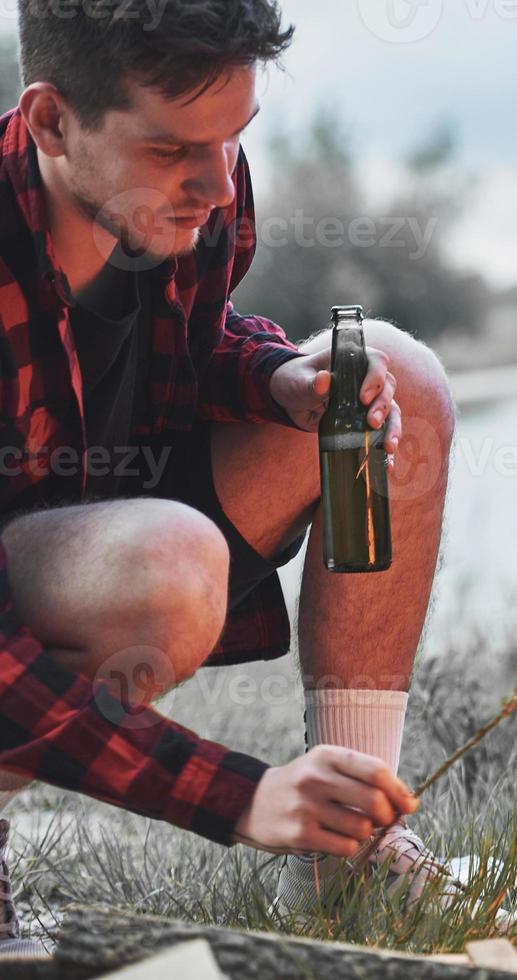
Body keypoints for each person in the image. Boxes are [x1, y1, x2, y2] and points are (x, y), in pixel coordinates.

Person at [0, 1, 459, 956]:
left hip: (89, 519)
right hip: (45, 586)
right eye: (175, 151)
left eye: (235, 139)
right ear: (50, 121)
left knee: (390, 381)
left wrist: (277, 377)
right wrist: (242, 795)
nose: (217, 184)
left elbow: (192, 342)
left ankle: (350, 847)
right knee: (169, 564)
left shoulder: (193, 191)